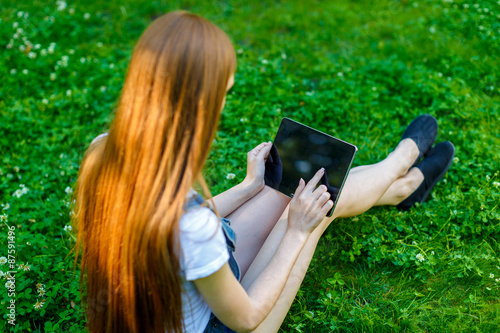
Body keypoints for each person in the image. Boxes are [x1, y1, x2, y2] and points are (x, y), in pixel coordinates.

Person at [71, 11, 455, 333]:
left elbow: (167, 222)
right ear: (198, 106)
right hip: (226, 323)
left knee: (287, 189)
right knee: (315, 210)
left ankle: (403, 185)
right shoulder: (193, 231)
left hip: (179, 296)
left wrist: (247, 187)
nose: (222, 107)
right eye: (224, 93)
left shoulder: (102, 151)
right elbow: (248, 318)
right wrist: (297, 232)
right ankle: (401, 165)